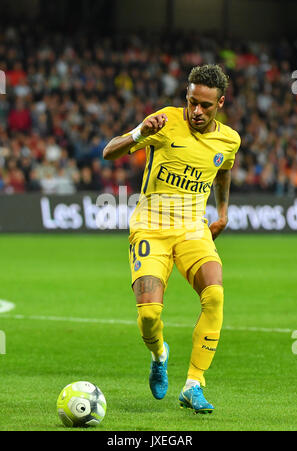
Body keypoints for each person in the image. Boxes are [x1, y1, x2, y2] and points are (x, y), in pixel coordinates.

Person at [103, 65, 240, 414]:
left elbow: (222, 172)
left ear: (220, 103)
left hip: (193, 228)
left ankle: (194, 384)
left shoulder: (229, 140)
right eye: (192, 102)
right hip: (150, 226)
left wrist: (222, 211)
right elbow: (109, 152)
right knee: (149, 315)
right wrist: (137, 133)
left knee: (215, 295)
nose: (196, 111)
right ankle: (159, 354)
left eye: (205, 106)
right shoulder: (164, 121)